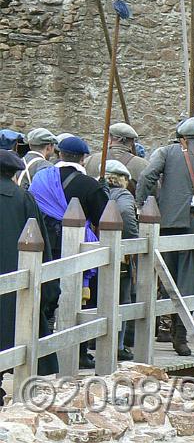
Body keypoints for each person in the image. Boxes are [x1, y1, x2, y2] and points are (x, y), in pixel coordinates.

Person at [136, 117, 194, 356]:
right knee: (187, 281)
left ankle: (167, 328)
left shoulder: (166, 152)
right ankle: (181, 336)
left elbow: (147, 177)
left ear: (183, 137)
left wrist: (140, 205)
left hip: (165, 222)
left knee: (166, 279)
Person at [29, 136, 107, 369]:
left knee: (43, 297)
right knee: (75, 300)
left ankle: (40, 348)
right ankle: (79, 351)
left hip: (42, 246)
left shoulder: (40, 179)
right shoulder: (90, 185)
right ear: (83, 157)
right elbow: (103, 219)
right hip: (75, 249)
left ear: (59, 154)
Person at [0, 150, 59, 405]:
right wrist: (48, 291)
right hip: (16, 283)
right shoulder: (24, 199)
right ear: (14, 173)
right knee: (9, 332)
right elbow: (41, 246)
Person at [104, 160, 139, 361]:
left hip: (97, 249)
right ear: (123, 179)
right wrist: (134, 241)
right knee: (121, 299)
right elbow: (126, 214)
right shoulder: (123, 195)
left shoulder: (99, 191)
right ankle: (117, 345)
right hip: (120, 255)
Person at [85, 123, 149, 195]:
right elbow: (153, 192)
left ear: (112, 139)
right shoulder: (143, 165)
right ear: (131, 142)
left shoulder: (90, 160)